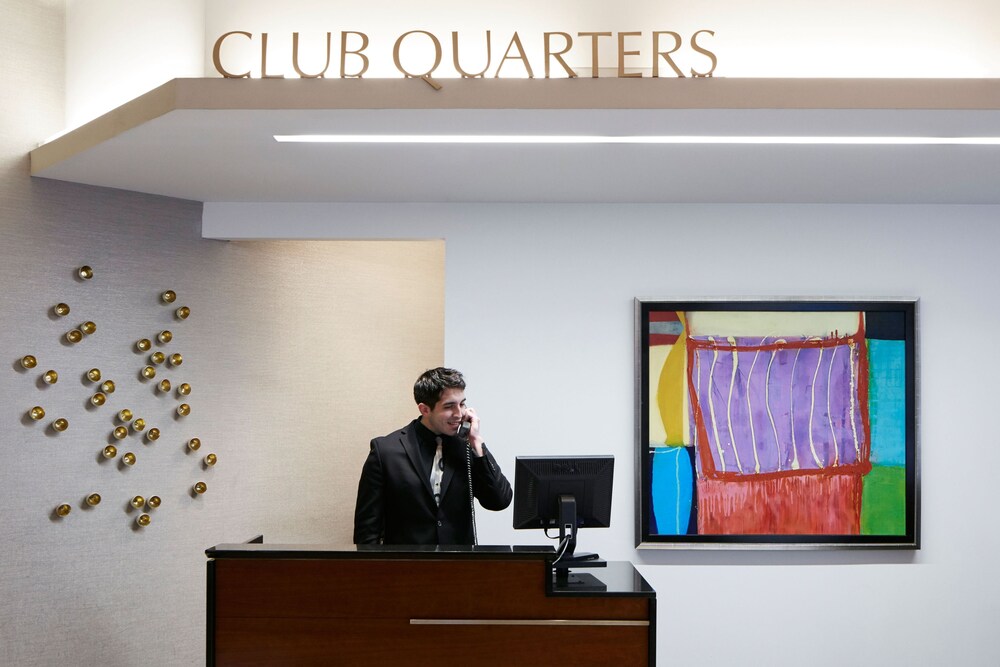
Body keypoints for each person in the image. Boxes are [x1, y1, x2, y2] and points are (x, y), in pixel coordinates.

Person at [353, 367, 512, 545]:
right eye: (449, 406)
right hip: (406, 566)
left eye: (462, 404)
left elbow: (500, 501)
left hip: (459, 565)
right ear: (425, 409)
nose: (459, 414)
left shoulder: (467, 447)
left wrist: (477, 444)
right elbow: (367, 529)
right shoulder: (385, 451)